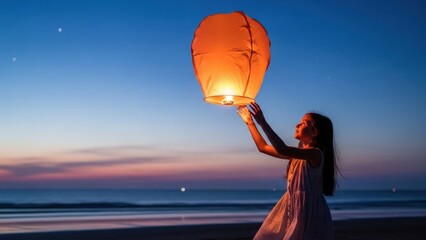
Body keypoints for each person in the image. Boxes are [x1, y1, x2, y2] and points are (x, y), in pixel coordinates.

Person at [237, 102, 337, 240]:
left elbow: (281, 148)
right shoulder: (297, 155)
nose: (297, 125)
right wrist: (250, 123)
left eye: (303, 123)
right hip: (293, 209)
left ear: (315, 132)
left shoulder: (315, 154)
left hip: (309, 214)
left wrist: (263, 122)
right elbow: (263, 147)